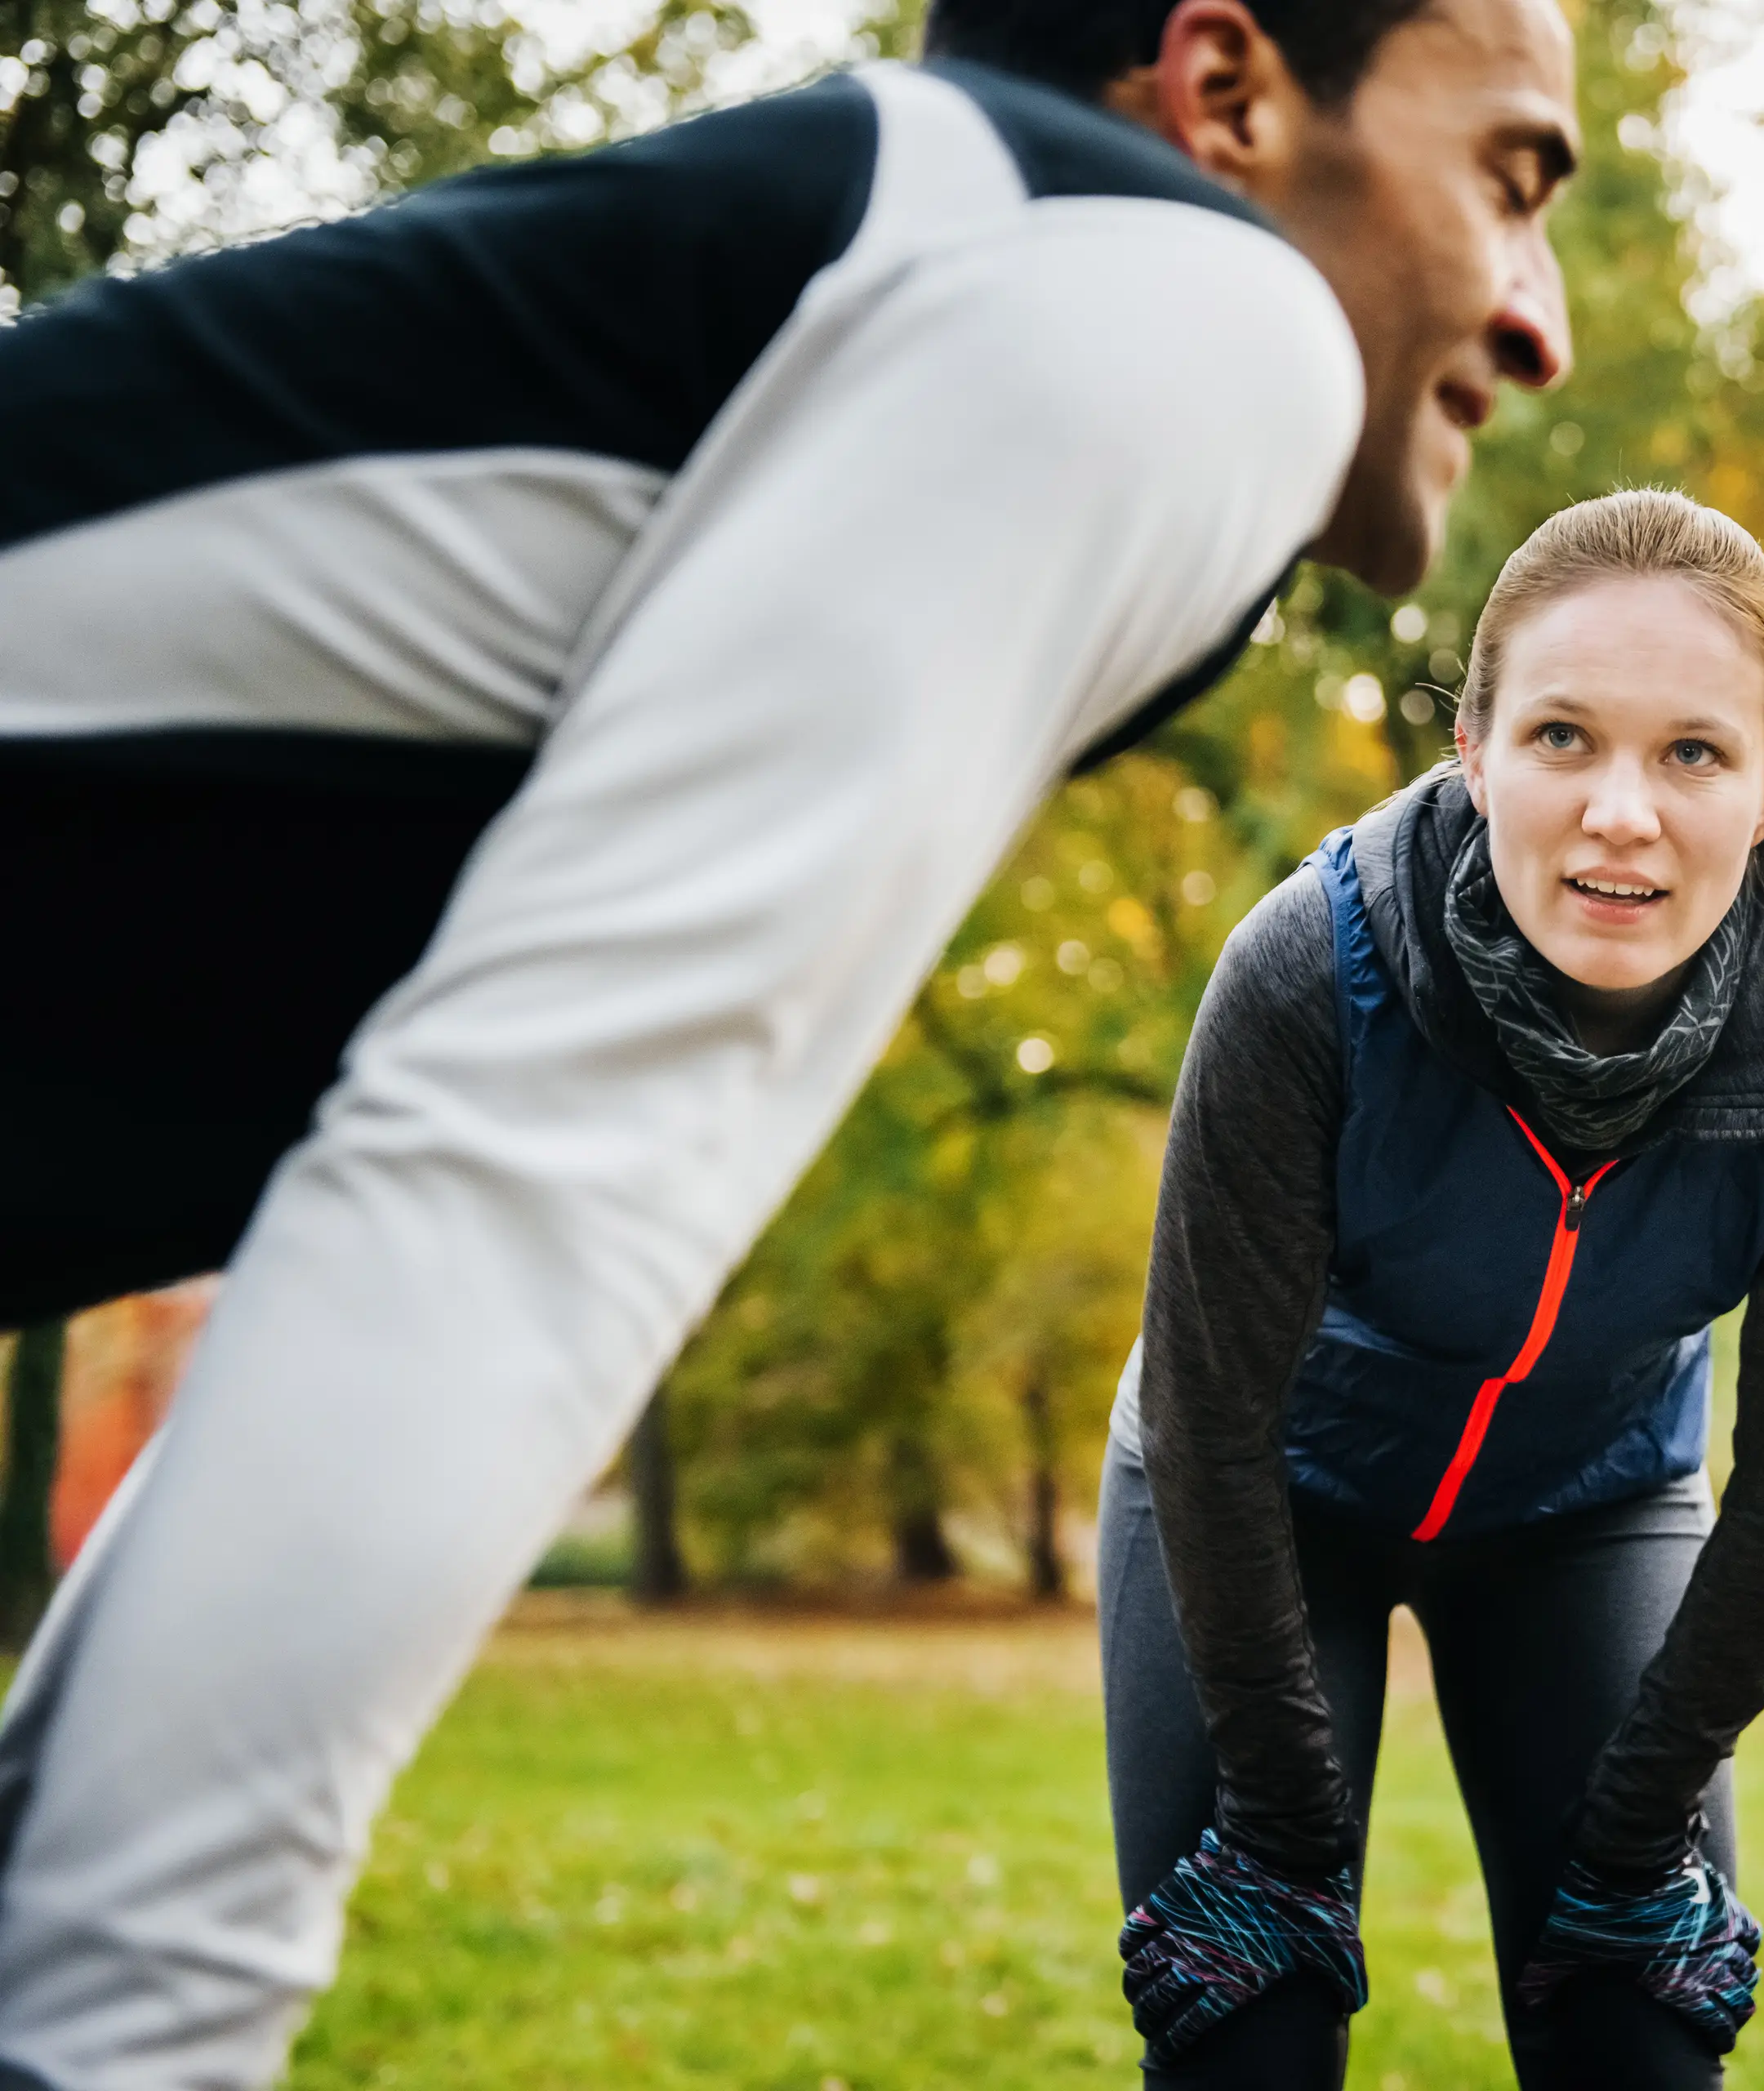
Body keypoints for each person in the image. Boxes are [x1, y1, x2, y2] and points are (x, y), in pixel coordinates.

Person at [0, 1, 1579, 2083]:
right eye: (1511, 177)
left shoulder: (932, 258)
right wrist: (113, 2032)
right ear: (1229, 97)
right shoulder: (1192, 307)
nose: (1542, 320)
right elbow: (541, 1156)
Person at [1098, 489, 1764, 2088]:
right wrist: (1281, 1834)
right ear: (1476, 751)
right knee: (1249, 2031)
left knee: (1637, 2028)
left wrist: (1634, 1841)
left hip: (1589, 1511)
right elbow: (1211, 1421)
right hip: (1261, 1496)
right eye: (1565, 737)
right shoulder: (1308, 970)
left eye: (1693, 751)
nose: (1622, 809)